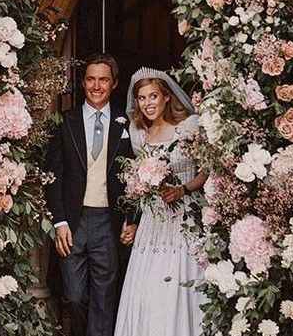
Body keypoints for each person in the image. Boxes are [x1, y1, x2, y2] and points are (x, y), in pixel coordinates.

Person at [45, 53, 136, 336]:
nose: (97, 86)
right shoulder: (65, 122)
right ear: (83, 83)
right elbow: (53, 176)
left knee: (104, 299)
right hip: (73, 221)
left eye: (104, 80)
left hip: (109, 221)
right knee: (74, 296)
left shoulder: (128, 124)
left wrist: (131, 218)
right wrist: (59, 221)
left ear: (114, 84)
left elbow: (137, 177)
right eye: (91, 79)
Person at [114, 67, 207, 336]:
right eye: (142, 98)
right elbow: (137, 187)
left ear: (166, 97)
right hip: (153, 222)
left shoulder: (188, 127)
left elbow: (206, 170)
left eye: (153, 96)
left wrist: (183, 190)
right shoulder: (139, 134)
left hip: (184, 219)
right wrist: (130, 222)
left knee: (178, 285)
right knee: (148, 290)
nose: (147, 104)